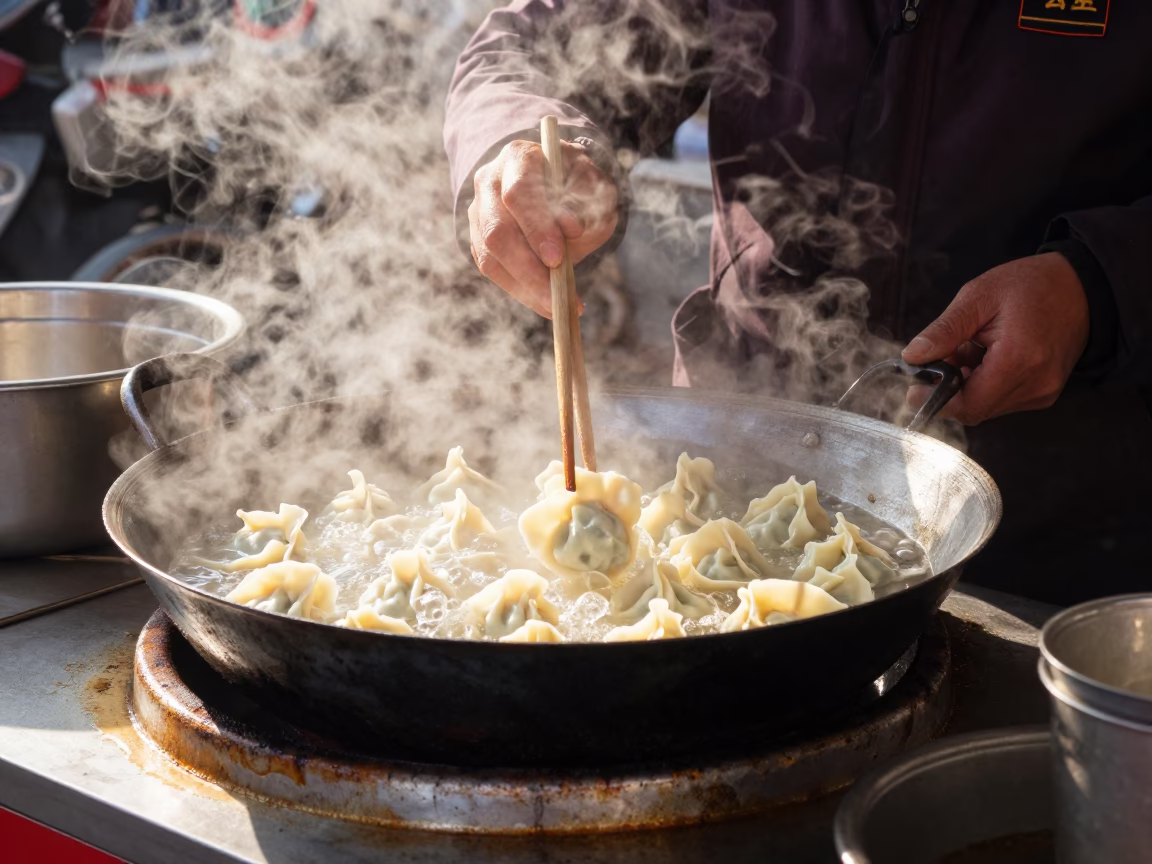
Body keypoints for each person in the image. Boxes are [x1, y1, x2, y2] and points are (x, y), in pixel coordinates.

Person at [443, 0, 1152, 606]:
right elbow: (545, 42)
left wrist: (1098, 285)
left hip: (1064, 532)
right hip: (732, 463)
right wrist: (516, 138)